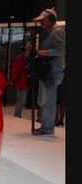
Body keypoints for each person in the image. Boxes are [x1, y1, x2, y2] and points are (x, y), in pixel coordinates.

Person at [31, 9, 65, 137]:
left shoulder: (57, 31)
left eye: (42, 20)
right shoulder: (50, 32)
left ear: (50, 18)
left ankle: (48, 128)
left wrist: (40, 52)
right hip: (48, 72)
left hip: (52, 72)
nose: (40, 23)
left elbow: (60, 51)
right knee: (43, 101)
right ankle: (46, 127)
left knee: (48, 101)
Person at [10, 42, 32, 118]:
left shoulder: (25, 59)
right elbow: (15, 71)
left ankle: (18, 114)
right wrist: (13, 80)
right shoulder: (20, 59)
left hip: (25, 82)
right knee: (21, 100)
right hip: (21, 82)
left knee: (21, 100)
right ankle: (17, 114)